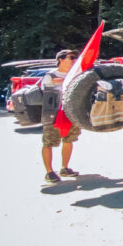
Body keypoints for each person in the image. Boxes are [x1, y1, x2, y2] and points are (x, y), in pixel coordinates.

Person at [41, 50, 81, 183]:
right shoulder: (50, 75)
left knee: (68, 140)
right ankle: (49, 172)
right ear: (61, 59)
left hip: (69, 112)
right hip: (53, 113)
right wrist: (63, 81)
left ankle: (64, 168)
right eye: (71, 57)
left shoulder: (75, 75)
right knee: (49, 142)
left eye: (75, 58)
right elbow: (46, 89)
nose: (74, 60)